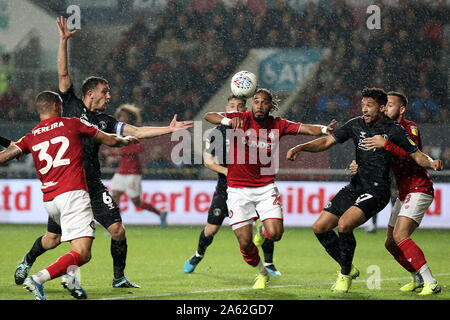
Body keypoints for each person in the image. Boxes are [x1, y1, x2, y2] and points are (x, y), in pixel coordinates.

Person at [14, 17, 192, 289]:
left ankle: (118, 278)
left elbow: (135, 130)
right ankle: (28, 261)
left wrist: (167, 130)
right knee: (51, 240)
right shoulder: (70, 105)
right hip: (67, 186)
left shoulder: (105, 121)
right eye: (105, 92)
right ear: (90, 94)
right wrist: (63, 42)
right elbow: (63, 75)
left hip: (92, 186)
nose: (109, 96)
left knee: (118, 231)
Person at [286, 87, 443, 293]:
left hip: (377, 190)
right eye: (362, 106)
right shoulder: (355, 124)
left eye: (369, 106)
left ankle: (344, 274)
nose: (364, 110)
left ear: (381, 108)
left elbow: (415, 154)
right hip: (355, 186)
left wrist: (431, 163)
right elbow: (327, 141)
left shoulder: (394, 130)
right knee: (320, 227)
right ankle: (349, 268)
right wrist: (301, 147)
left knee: (344, 225)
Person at [1, 91, 138, 300]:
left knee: (57, 241)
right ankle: (38, 278)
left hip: (50, 200)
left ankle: (72, 280)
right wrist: (126, 140)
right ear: (56, 106)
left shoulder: (31, 136)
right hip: (73, 194)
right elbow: (109, 140)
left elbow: (7, 155)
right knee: (83, 252)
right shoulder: (72, 124)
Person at [204, 88, 337, 289]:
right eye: (256, 101)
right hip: (237, 190)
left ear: (270, 106)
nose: (259, 105)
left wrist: (325, 129)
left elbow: (306, 128)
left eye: (264, 102)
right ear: (251, 105)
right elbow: (209, 116)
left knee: (275, 234)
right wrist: (227, 121)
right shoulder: (240, 118)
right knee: (245, 243)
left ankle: (263, 233)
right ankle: (262, 272)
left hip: (265, 187)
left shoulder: (278, 124)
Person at [350, 91, 441, 295]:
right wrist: (359, 164)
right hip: (403, 191)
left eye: (390, 105)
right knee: (390, 242)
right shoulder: (384, 131)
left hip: (419, 187)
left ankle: (431, 281)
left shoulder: (410, 128)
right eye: (385, 105)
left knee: (401, 235)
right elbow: (378, 159)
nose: (385, 108)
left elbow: (413, 156)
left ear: (401, 109)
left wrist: (387, 145)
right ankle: (417, 277)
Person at [184, 95, 281, 276]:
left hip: (253, 186)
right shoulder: (217, 132)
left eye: (240, 106)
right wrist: (230, 172)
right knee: (211, 229)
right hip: (226, 187)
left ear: (245, 110)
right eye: (232, 106)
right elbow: (208, 162)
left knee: (268, 225)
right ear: (226, 110)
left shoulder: (252, 128)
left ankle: (269, 263)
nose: (235, 109)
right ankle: (198, 254)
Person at [111, 104, 168, 228]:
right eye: (120, 116)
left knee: (136, 202)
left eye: (124, 116)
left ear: (129, 118)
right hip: (121, 171)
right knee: (114, 197)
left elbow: (140, 147)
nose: (122, 118)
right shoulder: (119, 132)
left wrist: (122, 148)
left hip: (133, 171)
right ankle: (115, 225)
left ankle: (161, 213)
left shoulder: (133, 131)